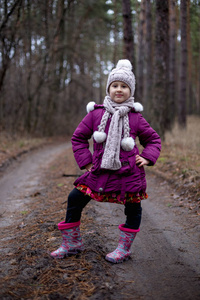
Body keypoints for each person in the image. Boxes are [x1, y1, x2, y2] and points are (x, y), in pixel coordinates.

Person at [50, 59, 161, 263]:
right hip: (99, 172)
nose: (119, 90)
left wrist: (146, 157)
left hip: (128, 174)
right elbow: (78, 138)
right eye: (115, 85)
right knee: (75, 198)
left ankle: (123, 249)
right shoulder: (95, 114)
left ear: (131, 90)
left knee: (133, 208)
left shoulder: (136, 118)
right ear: (109, 88)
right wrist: (86, 162)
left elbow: (153, 139)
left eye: (124, 86)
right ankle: (71, 243)